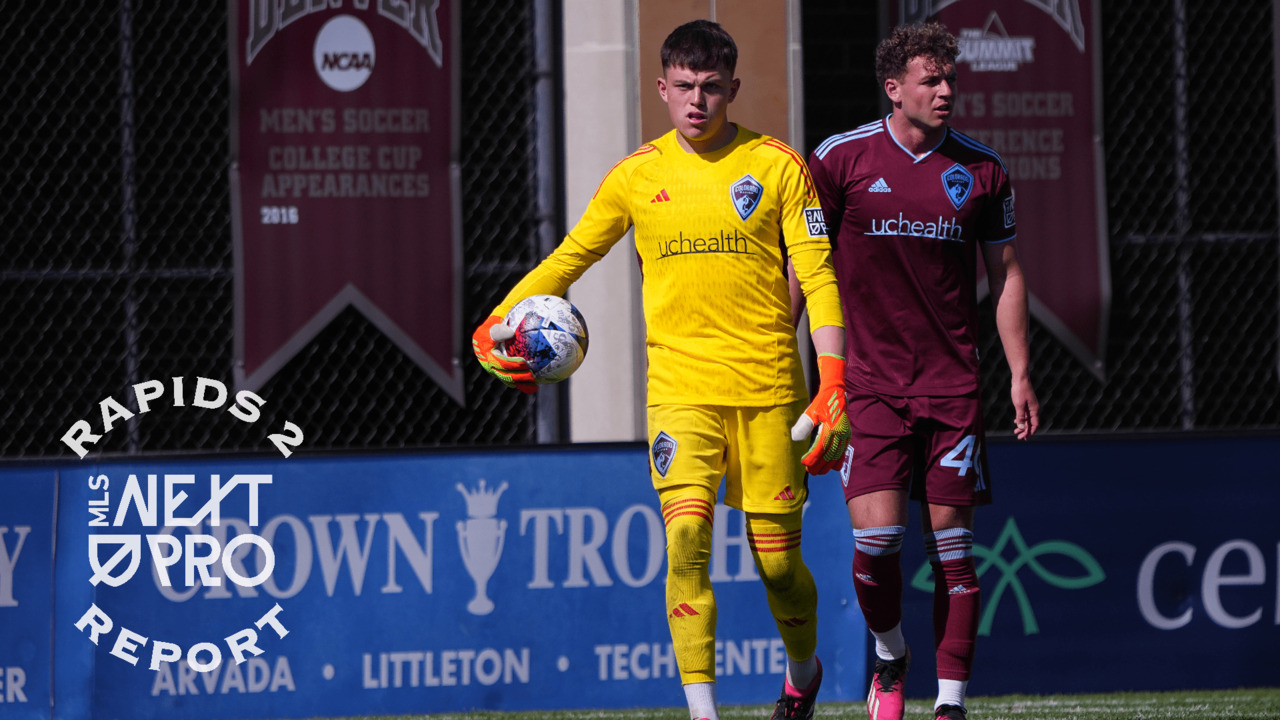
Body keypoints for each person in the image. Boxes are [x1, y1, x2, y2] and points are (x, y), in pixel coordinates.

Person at [472, 19, 850, 720]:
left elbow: (821, 279)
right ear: (661, 89)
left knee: (776, 566)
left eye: (711, 88)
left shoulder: (776, 167)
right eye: (684, 87)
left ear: (733, 88)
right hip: (680, 394)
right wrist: (496, 319)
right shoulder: (637, 176)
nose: (697, 101)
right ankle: (701, 712)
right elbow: (567, 262)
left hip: (769, 393)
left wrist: (832, 382)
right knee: (684, 542)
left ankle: (803, 668)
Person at [802, 22, 1041, 720]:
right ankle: (890, 650)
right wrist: (793, 364)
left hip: (952, 389)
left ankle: (952, 704)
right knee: (876, 547)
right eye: (931, 80)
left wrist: (1019, 373)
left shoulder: (983, 170)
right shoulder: (840, 160)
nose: (945, 91)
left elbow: (1008, 274)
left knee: (955, 554)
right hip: (867, 385)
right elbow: (806, 266)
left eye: (950, 79)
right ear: (893, 87)